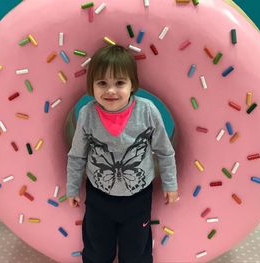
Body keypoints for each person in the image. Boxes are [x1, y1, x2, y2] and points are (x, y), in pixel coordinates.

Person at [66, 44, 179, 263]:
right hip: (99, 197)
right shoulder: (88, 114)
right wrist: (72, 188)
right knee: (97, 252)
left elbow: (164, 151)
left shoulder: (146, 111)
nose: (110, 91)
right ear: (92, 86)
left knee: (136, 253)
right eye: (102, 83)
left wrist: (170, 184)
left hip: (138, 198)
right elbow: (77, 154)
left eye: (119, 83)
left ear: (132, 84)